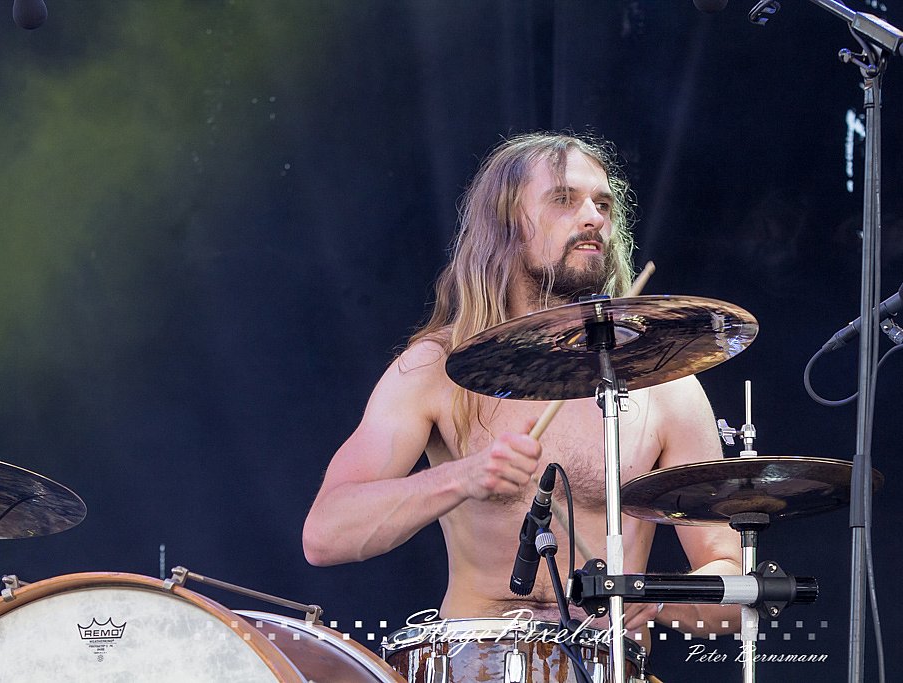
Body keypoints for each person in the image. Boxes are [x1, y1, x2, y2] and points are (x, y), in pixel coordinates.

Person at [302, 132, 741, 643]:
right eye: (563, 199)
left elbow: (733, 581)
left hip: (607, 661)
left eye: (602, 204)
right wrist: (462, 477)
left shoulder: (663, 383)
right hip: (474, 660)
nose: (593, 217)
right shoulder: (435, 369)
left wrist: (660, 598)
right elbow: (325, 535)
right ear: (505, 224)